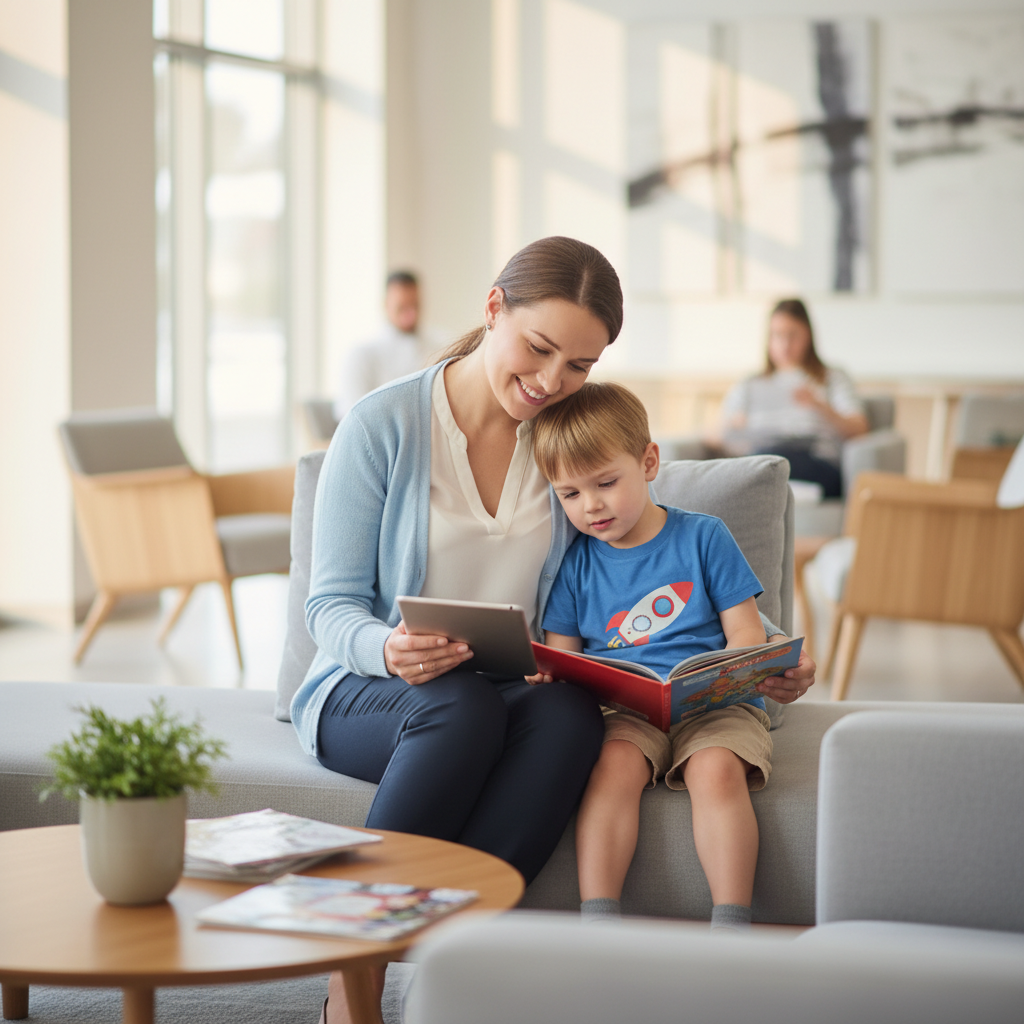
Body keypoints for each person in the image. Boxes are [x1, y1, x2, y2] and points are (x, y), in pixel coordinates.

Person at [534, 381, 815, 931]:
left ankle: (731, 923)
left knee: (715, 769)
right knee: (611, 766)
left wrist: (734, 677)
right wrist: (547, 678)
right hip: (623, 710)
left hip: (715, 703)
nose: (590, 506)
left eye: (606, 483)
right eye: (569, 494)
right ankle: (599, 921)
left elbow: (745, 635)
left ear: (649, 462)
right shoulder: (574, 566)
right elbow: (562, 662)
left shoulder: (704, 537)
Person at [718, 298, 868, 498]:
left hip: (815, 460)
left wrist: (820, 406)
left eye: (793, 335)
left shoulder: (831, 378)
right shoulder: (750, 385)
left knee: (766, 466)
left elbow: (860, 428)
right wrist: (734, 425)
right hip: (760, 456)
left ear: (808, 336)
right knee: (756, 463)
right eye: (778, 335)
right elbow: (715, 435)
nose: (785, 345)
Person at [332, 270, 434, 421]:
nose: (410, 315)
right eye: (402, 308)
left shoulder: (441, 344)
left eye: (415, 306)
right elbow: (351, 415)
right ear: (386, 305)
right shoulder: (361, 355)